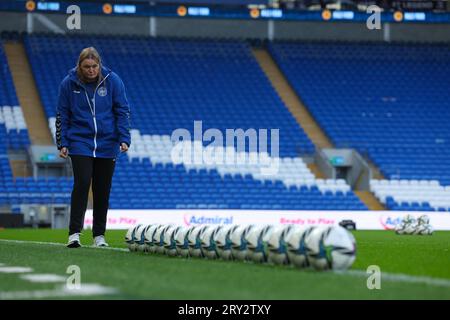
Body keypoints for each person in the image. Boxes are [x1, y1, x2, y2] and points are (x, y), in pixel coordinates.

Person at [56, 47, 131, 248]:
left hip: (108, 143)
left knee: (102, 190)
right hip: (80, 141)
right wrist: (63, 142)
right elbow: (63, 114)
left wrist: (124, 138)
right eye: (87, 67)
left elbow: (122, 110)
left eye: (94, 66)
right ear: (79, 66)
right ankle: (74, 233)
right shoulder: (68, 84)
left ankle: (99, 236)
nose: (91, 70)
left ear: (100, 65)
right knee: (81, 183)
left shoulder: (112, 80)